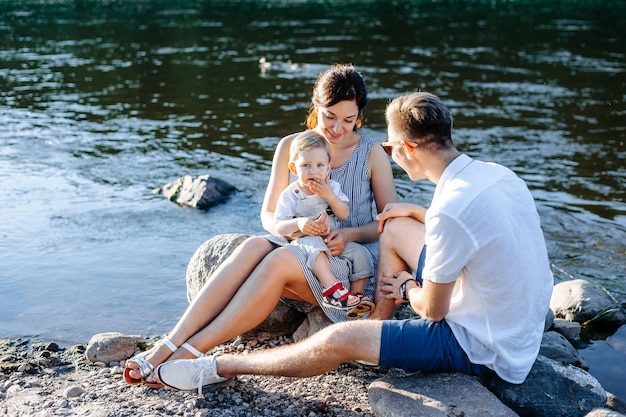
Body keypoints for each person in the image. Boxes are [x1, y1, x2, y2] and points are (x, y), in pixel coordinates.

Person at [154, 91, 554, 394]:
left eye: (390, 147)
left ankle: (219, 367)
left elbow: (433, 311)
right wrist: (415, 211)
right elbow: (470, 228)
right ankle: (378, 325)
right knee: (395, 227)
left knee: (337, 339)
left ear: (409, 148)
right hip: (519, 324)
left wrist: (407, 288)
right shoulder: (496, 175)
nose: (389, 154)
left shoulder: (451, 209)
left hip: (483, 345)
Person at [123, 64, 397, 387]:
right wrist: (297, 225)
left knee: (279, 260)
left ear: (359, 117)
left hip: (350, 264)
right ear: (315, 108)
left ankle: (188, 352)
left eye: (348, 120)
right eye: (329, 117)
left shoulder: (371, 153)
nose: (337, 128)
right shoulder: (290, 147)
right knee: (253, 245)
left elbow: (388, 222)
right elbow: (268, 217)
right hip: (305, 248)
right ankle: (169, 344)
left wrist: (349, 232)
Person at [274, 129, 376, 318]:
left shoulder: (333, 188)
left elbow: (344, 214)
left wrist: (329, 195)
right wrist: (300, 223)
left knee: (362, 254)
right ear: (294, 168)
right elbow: (279, 224)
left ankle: (356, 297)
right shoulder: (291, 194)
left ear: (328, 168)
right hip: (307, 242)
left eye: (319, 165)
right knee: (315, 248)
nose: (313, 171)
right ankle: (332, 291)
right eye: (306, 165)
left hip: (332, 240)